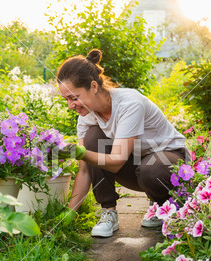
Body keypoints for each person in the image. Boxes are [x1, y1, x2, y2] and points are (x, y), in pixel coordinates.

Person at [56, 49, 189, 238]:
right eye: (66, 99)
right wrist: (70, 212)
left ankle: (162, 205)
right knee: (93, 138)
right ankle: (108, 212)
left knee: (150, 170)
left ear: (93, 86)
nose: (70, 105)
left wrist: (80, 152)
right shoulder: (87, 115)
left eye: (74, 97)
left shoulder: (129, 103)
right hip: (134, 164)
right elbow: (85, 168)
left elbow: (117, 160)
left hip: (167, 160)